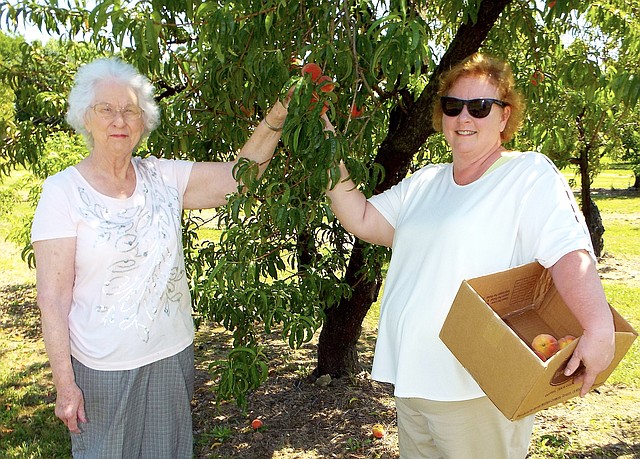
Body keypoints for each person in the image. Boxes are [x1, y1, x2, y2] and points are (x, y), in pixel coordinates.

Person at [323, 53, 616, 458]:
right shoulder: (425, 183)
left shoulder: (527, 175)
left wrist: (599, 329)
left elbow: (568, 251)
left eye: (479, 107)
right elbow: (361, 216)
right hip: (415, 379)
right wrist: (326, 148)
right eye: (452, 106)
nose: (464, 118)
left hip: (477, 385)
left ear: (504, 117)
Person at [30, 57, 288, 458]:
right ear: (85, 117)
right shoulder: (62, 192)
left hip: (171, 357)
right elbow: (53, 298)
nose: (120, 120)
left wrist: (280, 112)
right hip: (103, 369)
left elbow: (238, 178)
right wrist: (66, 385)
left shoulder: (162, 177)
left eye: (130, 110)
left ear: (144, 120)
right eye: (107, 109)